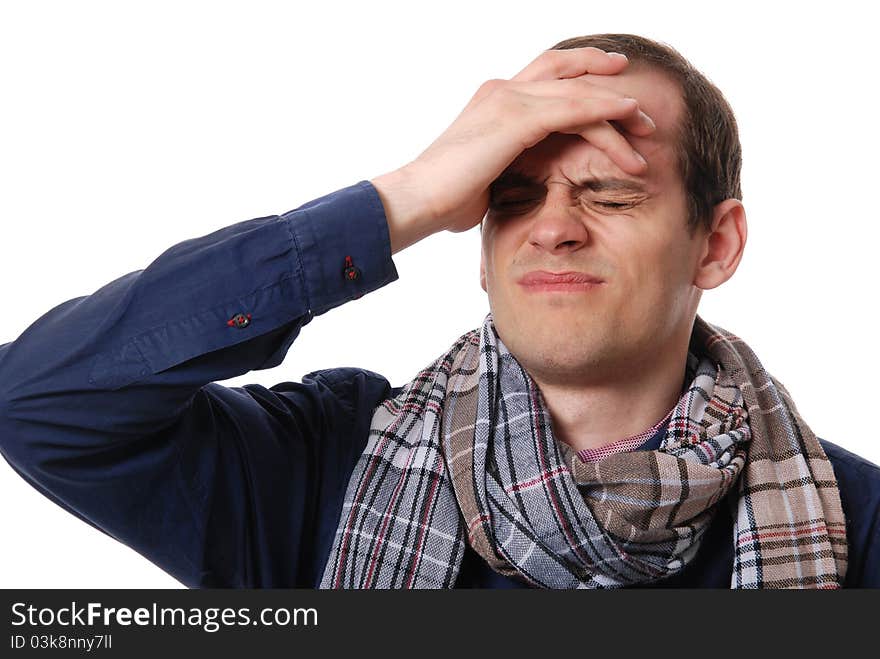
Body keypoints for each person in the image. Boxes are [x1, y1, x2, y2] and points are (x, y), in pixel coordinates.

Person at [0, 33, 877, 589]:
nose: (553, 229)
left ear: (715, 245)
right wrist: (406, 197)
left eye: (609, 196)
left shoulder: (856, 523)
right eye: (513, 196)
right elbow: (37, 403)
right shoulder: (325, 466)